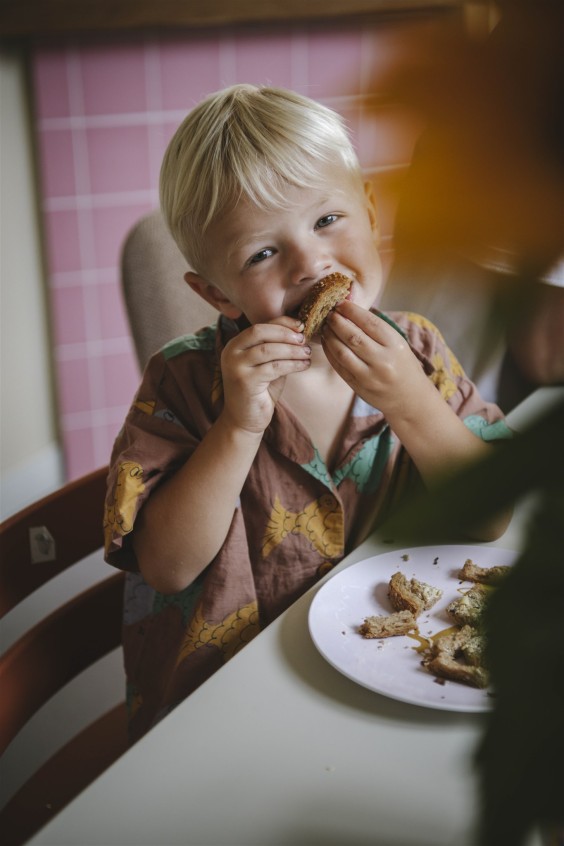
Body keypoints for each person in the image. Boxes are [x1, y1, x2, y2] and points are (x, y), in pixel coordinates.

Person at [104, 85, 512, 742]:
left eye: (327, 220)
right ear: (215, 292)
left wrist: (412, 403)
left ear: (370, 209)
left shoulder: (421, 352)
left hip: (384, 677)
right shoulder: (183, 381)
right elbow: (167, 567)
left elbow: (492, 515)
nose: (310, 263)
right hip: (224, 713)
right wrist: (237, 427)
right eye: (262, 253)